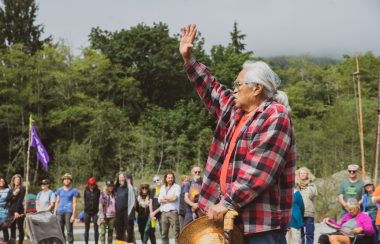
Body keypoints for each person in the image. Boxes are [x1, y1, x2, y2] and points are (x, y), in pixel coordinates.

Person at [179, 24, 296, 243]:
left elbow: (259, 172)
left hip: (260, 227)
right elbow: (212, 89)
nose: (233, 88)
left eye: (238, 84)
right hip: (230, 220)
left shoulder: (275, 115)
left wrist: (226, 202)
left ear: (257, 88)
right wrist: (189, 60)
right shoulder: (235, 111)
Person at [54, 173, 79, 244]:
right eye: (65, 179)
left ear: (70, 180)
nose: (66, 180)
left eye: (68, 179)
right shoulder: (59, 190)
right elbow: (57, 201)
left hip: (68, 211)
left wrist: (73, 215)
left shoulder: (74, 190)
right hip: (59, 212)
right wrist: (55, 212)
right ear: (63, 180)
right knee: (60, 230)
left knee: (69, 230)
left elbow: (74, 203)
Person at [296, 167, 317, 244]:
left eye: (304, 173)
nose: (302, 175)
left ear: (307, 174)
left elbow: (311, 195)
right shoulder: (295, 185)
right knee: (300, 233)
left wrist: (307, 184)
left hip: (309, 212)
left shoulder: (312, 185)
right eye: (301, 173)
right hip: (299, 212)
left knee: (309, 233)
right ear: (298, 174)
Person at [158, 171, 181, 244]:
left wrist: (165, 198)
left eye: (172, 177)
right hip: (164, 213)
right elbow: (160, 200)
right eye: (169, 178)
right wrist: (169, 198)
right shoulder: (162, 187)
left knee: (176, 234)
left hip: (173, 213)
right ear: (166, 178)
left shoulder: (177, 186)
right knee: (164, 234)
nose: (170, 179)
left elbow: (175, 198)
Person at [114, 172, 135, 242]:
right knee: (119, 230)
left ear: (125, 179)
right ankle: (119, 242)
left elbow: (132, 200)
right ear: (118, 179)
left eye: (123, 178)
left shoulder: (129, 188)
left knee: (129, 230)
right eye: (120, 178)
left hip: (127, 211)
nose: (121, 179)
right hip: (119, 212)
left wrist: (131, 213)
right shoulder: (117, 188)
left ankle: (130, 242)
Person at [8, 174, 26, 244]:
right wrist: (13, 194)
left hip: (19, 210)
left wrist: (16, 211)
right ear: (13, 181)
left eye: (18, 180)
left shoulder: (22, 188)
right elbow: (7, 199)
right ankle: (13, 242)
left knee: (20, 227)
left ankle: (20, 242)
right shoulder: (11, 189)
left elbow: (20, 200)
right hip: (11, 211)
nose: (17, 181)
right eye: (16, 180)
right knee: (12, 228)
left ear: (20, 181)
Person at [143, 175, 162, 242]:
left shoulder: (164, 189)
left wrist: (154, 212)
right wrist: (151, 213)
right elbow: (150, 202)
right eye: (154, 181)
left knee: (162, 231)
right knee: (147, 230)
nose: (156, 182)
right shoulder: (153, 190)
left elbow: (164, 205)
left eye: (157, 180)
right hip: (152, 214)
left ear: (161, 180)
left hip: (161, 213)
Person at [84, 177, 100, 244]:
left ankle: (96, 242)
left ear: (95, 184)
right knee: (86, 229)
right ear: (88, 184)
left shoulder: (98, 191)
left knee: (96, 229)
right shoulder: (86, 191)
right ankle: (86, 242)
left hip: (95, 212)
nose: (92, 186)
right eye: (90, 184)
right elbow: (85, 200)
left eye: (93, 184)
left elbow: (100, 201)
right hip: (87, 212)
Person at [99, 179, 116, 244]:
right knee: (102, 233)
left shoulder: (115, 194)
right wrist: (102, 217)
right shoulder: (103, 194)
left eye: (111, 186)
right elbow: (100, 206)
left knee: (110, 233)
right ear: (106, 186)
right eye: (109, 186)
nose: (110, 187)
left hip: (112, 216)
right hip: (104, 216)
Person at [0, 176, 11, 243]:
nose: (2, 182)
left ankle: (6, 242)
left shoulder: (8, 190)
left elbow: (11, 200)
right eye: (0, 181)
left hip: (4, 211)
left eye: (3, 181)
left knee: (4, 227)